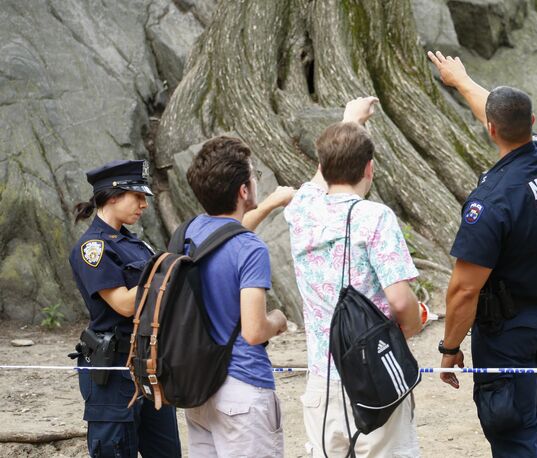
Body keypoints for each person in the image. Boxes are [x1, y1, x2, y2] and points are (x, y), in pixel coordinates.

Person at [428, 50, 537, 457]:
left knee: (514, 436)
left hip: (509, 335)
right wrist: (461, 81)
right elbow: (500, 113)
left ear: (491, 130)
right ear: (532, 122)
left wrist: (450, 348)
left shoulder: (490, 204)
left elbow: (463, 290)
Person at [283, 97, 423, 457]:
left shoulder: (301, 209)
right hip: (373, 375)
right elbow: (400, 301)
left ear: (322, 165)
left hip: (322, 380)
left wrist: (349, 122)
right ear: (370, 169)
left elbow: (318, 179)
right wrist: (408, 327)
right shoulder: (375, 218)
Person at [182, 135, 294, 458]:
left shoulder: (192, 233)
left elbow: (232, 230)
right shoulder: (251, 250)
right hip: (243, 391)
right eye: (253, 175)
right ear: (243, 191)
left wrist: (270, 203)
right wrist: (278, 320)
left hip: (200, 391)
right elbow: (254, 330)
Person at [69, 159, 181, 458]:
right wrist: (165, 274)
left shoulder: (136, 244)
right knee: (116, 450)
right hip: (114, 368)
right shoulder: (93, 248)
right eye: (138, 197)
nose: (143, 205)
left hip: (149, 362)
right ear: (113, 195)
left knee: (167, 450)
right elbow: (122, 304)